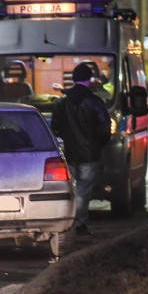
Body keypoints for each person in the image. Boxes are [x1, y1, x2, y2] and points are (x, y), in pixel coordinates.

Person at [50, 63, 112, 236]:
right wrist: (100, 142)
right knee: (84, 189)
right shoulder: (94, 101)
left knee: (74, 189)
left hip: (70, 152)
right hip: (90, 153)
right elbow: (104, 126)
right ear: (89, 79)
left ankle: (70, 222)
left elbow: (55, 128)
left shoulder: (62, 103)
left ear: (74, 79)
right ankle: (80, 224)